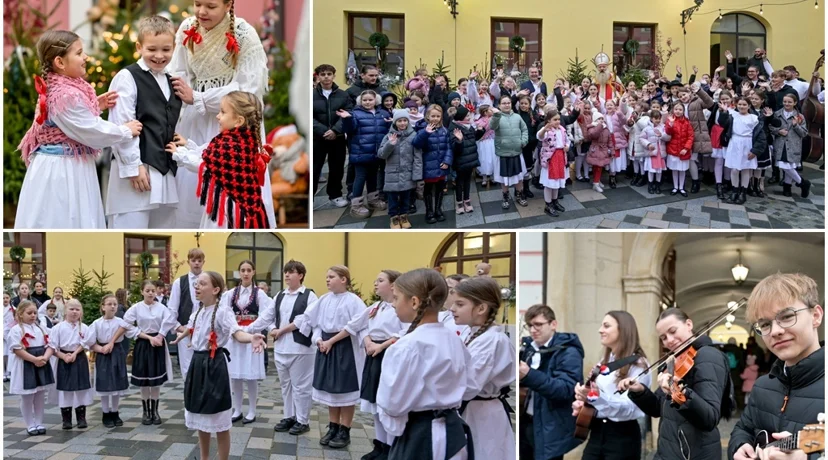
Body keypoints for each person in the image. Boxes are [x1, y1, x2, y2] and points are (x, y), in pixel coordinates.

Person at [15, 30, 141, 229]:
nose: (86, 57)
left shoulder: (63, 88)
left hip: (70, 162)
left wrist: (95, 107)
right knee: (65, 217)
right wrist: (124, 130)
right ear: (60, 62)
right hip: (63, 169)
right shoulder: (65, 95)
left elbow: (72, 123)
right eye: (79, 53)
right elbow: (91, 131)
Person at [169, 0, 273, 229]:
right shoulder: (188, 27)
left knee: (233, 183)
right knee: (190, 187)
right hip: (194, 120)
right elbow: (178, 71)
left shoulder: (245, 34)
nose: (201, 11)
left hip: (235, 122)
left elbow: (249, 89)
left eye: (211, 6)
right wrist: (184, 94)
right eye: (197, 4)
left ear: (228, 5)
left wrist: (200, 98)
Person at [376, 268, 474, 459]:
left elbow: (392, 404)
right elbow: (468, 384)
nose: (393, 305)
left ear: (414, 302)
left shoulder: (407, 346)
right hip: (453, 433)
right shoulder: (453, 339)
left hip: (420, 436)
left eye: (396, 298)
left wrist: (397, 427)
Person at [169, 271, 266, 460]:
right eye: (196, 283)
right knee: (200, 418)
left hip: (214, 366)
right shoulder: (198, 311)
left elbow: (236, 333)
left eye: (202, 284)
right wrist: (185, 333)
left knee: (219, 419)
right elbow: (192, 326)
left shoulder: (222, 311)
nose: (197, 286)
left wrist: (251, 337)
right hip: (197, 365)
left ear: (215, 290)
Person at [729, 273, 824, 460]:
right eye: (765, 324)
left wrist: (807, 458)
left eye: (787, 316)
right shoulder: (763, 385)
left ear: (816, 316)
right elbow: (743, 428)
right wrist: (740, 446)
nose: (775, 331)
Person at [618, 308, 734, 460]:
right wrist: (639, 390)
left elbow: (709, 417)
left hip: (694, 454)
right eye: (663, 337)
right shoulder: (674, 361)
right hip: (668, 450)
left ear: (688, 324)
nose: (669, 340)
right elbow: (657, 408)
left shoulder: (708, 357)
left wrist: (678, 391)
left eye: (673, 331)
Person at [106, 15, 180, 229]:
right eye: (151, 49)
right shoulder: (127, 77)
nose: (159, 56)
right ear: (139, 46)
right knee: (130, 226)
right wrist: (133, 167)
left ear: (173, 47)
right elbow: (121, 124)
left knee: (164, 228)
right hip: (138, 171)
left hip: (164, 171)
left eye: (166, 50)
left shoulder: (171, 80)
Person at [324, 270, 406, 459]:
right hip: (373, 353)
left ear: (393, 285)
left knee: (387, 403)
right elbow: (357, 325)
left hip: (389, 353)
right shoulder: (375, 307)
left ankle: (391, 448)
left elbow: (406, 330)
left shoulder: (399, 307)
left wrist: (381, 345)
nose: (375, 283)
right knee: (375, 401)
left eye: (380, 280)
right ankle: (380, 445)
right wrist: (368, 342)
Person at [167, 91, 273, 228]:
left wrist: (179, 154)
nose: (218, 116)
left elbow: (206, 166)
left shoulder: (233, 146)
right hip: (230, 203)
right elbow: (209, 154)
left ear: (238, 121)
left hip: (228, 208)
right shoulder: (241, 141)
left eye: (223, 112)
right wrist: (187, 145)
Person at [294, 266, 366, 449]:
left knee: (345, 390)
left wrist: (331, 341)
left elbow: (354, 325)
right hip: (326, 347)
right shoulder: (324, 300)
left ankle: (345, 429)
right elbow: (315, 322)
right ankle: (333, 426)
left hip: (344, 347)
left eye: (331, 277)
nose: (327, 280)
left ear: (343, 279)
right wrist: (319, 339)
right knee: (330, 390)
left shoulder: (353, 301)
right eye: (326, 277)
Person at [244, 260, 317, 435]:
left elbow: (305, 319)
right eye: (285, 272)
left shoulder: (309, 295)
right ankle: (289, 416)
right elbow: (267, 317)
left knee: (301, 386)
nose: (286, 275)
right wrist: (245, 330)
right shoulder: (280, 296)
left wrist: (282, 330)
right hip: (281, 348)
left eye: (291, 272)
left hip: (301, 348)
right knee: (286, 385)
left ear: (300, 275)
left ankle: (303, 420)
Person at [572, 311, 651, 460]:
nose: (600, 330)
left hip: (622, 437)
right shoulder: (605, 360)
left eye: (606, 326)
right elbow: (597, 396)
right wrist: (583, 403)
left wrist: (595, 398)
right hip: (597, 432)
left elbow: (629, 409)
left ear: (622, 330)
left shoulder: (639, 365)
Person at [453, 277, 516, 460]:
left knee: (483, 452)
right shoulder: (472, 333)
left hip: (481, 413)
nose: (452, 309)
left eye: (460, 304)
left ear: (481, 308)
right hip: (472, 410)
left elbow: (469, 385)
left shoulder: (491, 341)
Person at [519, 305, 584, 460]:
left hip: (551, 425)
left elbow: (565, 389)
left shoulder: (568, 352)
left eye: (539, 324)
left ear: (553, 324)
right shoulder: (528, 348)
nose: (533, 330)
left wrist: (529, 374)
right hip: (527, 421)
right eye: (530, 326)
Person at [219, 260, 272, 424]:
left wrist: (251, 330)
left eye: (249, 270)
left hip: (252, 337)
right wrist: (235, 329)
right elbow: (224, 313)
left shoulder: (260, 294)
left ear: (254, 272)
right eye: (243, 270)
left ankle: (252, 410)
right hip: (235, 337)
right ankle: (237, 409)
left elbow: (265, 316)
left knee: (250, 375)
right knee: (235, 375)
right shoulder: (230, 294)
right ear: (239, 273)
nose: (246, 273)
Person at [123, 280, 176, 426]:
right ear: (142, 292)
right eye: (147, 290)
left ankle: (155, 410)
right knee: (144, 380)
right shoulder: (137, 308)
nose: (151, 293)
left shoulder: (161, 307)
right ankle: (146, 411)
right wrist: (146, 336)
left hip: (157, 343)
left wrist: (160, 335)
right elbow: (126, 324)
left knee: (156, 379)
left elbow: (170, 320)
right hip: (143, 343)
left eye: (153, 290)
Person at [82, 294, 135, 428]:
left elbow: (129, 330)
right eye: (109, 304)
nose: (112, 306)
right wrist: (100, 349)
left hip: (117, 352)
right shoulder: (97, 323)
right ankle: (105, 413)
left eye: (115, 304)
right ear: (103, 307)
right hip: (103, 353)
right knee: (105, 383)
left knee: (116, 382)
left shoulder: (120, 322)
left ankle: (115, 412)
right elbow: (90, 341)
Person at [338, 90, 391, 219]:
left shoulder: (382, 113)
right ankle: (356, 204)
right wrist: (347, 119)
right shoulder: (355, 114)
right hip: (360, 152)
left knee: (373, 176)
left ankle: (373, 199)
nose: (367, 102)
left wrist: (391, 123)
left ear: (376, 100)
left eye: (370, 100)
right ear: (360, 101)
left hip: (376, 153)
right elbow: (349, 129)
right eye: (365, 100)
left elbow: (387, 131)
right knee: (360, 177)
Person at [7, 300, 55, 436]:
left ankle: (39, 422)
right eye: (29, 313)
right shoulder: (16, 330)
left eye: (35, 313)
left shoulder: (41, 328)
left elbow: (50, 344)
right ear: (20, 314)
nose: (33, 315)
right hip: (26, 364)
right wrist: (34, 359)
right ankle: (30, 424)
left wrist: (44, 358)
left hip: (41, 363)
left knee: (39, 395)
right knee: (27, 396)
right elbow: (17, 349)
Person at [48, 299, 93, 430]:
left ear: (81, 312)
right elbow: (52, 346)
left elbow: (86, 343)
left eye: (77, 309)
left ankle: (81, 417)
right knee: (65, 389)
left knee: (81, 388)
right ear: (65, 311)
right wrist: (63, 356)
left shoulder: (84, 327)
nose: (74, 312)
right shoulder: (58, 328)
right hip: (64, 359)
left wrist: (75, 353)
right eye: (71, 309)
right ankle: (66, 419)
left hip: (79, 358)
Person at [313, 64, 353, 208]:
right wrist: (323, 131)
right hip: (317, 138)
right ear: (318, 76)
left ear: (334, 76)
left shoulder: (343, 94)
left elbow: (348, 113)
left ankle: (335, 195)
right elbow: (309, 116)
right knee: (314, 167)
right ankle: (309, 197)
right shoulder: (311, 95)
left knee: (337, 167)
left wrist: (335, 131)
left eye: (329, 74)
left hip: (338, 137)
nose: (326, 77)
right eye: (323, 74)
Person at [379, 109, 422, 229]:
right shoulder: (388, 136)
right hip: (392, 174)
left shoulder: (414, 135)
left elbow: (417, 156)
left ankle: (404, 216)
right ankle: (394, 218)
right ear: (395, 122)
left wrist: (417, 174)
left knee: (406, 197)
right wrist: (390, 144)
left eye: (405, 120)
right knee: (392, 198)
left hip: (407, 172)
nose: (402, 123)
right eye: (399, 121)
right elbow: (381, 154)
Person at [167, 248, 204, 380]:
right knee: (187, 366)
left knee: (204, 365)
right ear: (189, 262)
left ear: (203, 262)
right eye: (193, 260)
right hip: (184, 330)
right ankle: (189, 395)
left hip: (205, 331)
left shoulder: (209, 280)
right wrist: (181, 328)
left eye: (199, 261)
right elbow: (172, 309)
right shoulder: (179, 282)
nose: (196, 263)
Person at [412, 104, 453, 224]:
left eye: (438, 116)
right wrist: (425, 133)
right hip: (429, 164)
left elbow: (448, 147)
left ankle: (438, 209)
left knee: (441, 187)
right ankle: (429, 211)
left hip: (441, 164)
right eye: (433, 116)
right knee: (428, 189)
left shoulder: (444, 129)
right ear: (427, 116)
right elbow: (416, 143)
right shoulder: (422, 128)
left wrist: (447, 161)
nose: (435, 118)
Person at [491, 95, 529, 209]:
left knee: (519, 176)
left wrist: (523, 141)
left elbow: (524, 129)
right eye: (504, 103)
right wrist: (496, 115)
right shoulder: (496, 117)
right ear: (499, 105)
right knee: (504, 178)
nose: (506, 105)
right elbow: (492, 127)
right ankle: (505, 196)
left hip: (516, 151)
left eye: (508, 103)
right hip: (503, 152)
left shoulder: (517, 117)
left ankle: (519, 195)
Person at [770, 93, 811, 199]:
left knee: (788, 166)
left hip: (793, 145)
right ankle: (794, 185)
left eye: (789, 102)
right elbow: (770, 127)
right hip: (780, 144)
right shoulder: (777, 114)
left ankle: (798, 183)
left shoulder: (799, 117)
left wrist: (795, 125)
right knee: (785, 165)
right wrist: (779, 131)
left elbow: (804, 133)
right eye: (785, 101)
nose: (786, 104)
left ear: (795, 103)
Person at [449, 106, 483, 215]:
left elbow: (473, 139)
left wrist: (480, 131)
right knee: (459, 181)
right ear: (461, 117)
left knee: (468, 180)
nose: (469, 117)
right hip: (460, 160)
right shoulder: (455, 128)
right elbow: (455, 148)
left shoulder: (469, 126)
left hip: (470, 158)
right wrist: (459, 141)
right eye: (467, 115)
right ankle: (459, 201)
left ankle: (467, 200)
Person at [537, 110, 570, 217]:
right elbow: (540, 137)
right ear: (548, 121)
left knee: (557, 182)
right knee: (549, 183)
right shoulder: (547, 130)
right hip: (550, 159)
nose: (557, 121)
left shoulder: (562, 130)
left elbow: (567, 140)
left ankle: (555, 201)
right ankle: (548, 204)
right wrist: (543, 130)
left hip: (560, 157)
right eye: (555, 120)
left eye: (558, 119)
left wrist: (567, 146)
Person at [665, 101, 695, 197]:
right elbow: (667, 133)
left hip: (683, 150)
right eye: (676, 109)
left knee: (682, 170)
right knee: (675, 169)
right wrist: (671, 124)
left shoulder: (687, 122)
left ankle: (681, 187)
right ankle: (675, 187)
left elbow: (690, 136)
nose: (678, 111)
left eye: (680, 109)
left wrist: (686, 148)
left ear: (683, 111)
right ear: (673, 110)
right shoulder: (670, 120)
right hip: (673, 149)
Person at [640, 109, 670, 195]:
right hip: (652, 153)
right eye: (655, 118)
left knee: (659, 170)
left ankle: (657, 185)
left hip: (660, 153)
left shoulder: (663, 127)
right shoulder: (647, 128)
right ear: (651, 118)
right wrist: (648, 144)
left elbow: (668, 138)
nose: (657, 120)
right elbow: (642, 138)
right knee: (651, 170)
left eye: (659, 118)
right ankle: (650, 185)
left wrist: (662, 135)